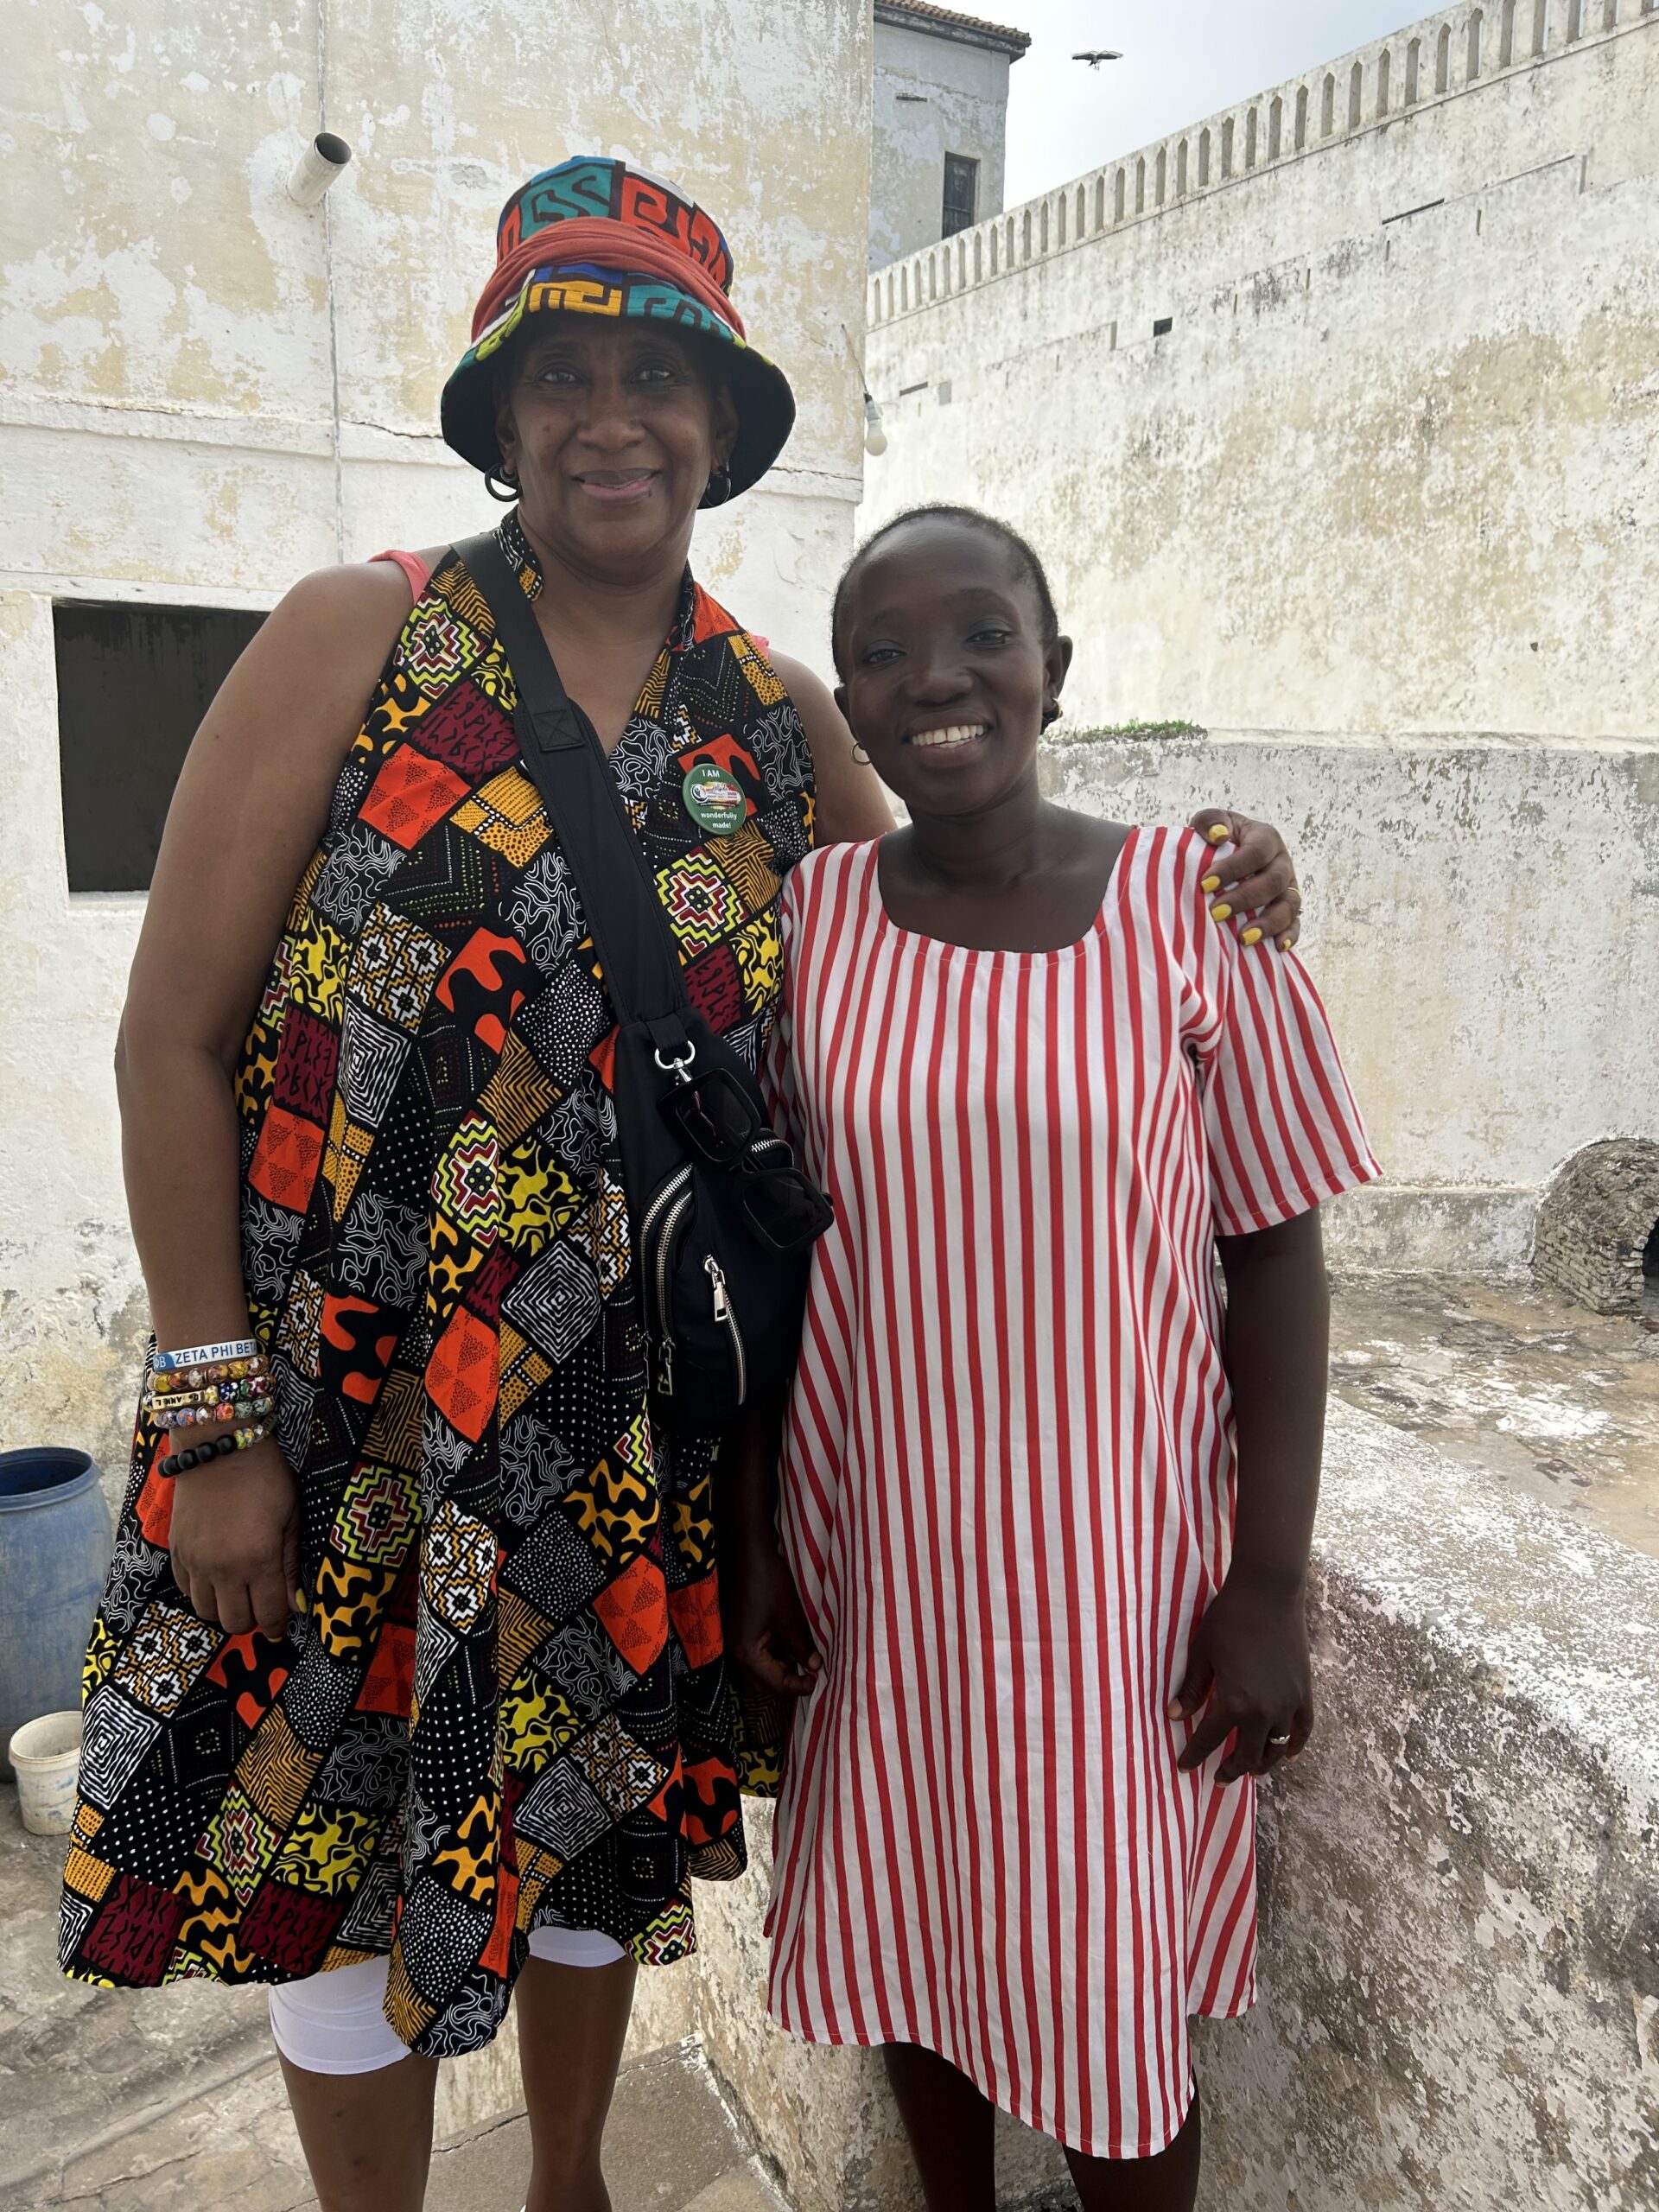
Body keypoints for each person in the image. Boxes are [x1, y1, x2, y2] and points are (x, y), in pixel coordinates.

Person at [58, 156, 1312, 2212]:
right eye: (562, 372)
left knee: (581, 1843)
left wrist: (1212, 871)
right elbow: (168, 1040)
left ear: (722, 424)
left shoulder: (778, 720)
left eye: (658, 373)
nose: (610, 416)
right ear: (503, 412)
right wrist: (213, 1418)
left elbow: (980, 887)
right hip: (349, 1410)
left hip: (624, 1426)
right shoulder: (360, 632)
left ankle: (571, 2180)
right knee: (331, 1867)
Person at [723, 505, 1380, 2212]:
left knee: (1109, 1985)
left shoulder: (1192, 907)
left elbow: (1275, 1251)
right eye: (884, 654)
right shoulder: (814, 923)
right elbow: (777, 1255)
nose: (938, 677)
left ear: (1054, 669)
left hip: (1114, 1590)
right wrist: (756, 1536)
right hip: (882, 1565)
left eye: (983, 634)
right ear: (850, 706)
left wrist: (1267, 1583)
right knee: (907, 1933)